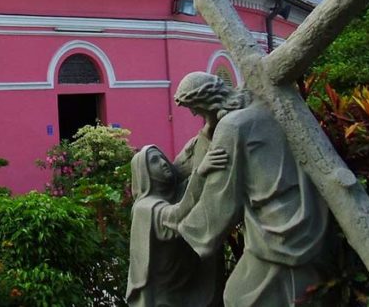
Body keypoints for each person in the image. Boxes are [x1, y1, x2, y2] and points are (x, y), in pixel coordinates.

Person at [172, 72, 330, 307]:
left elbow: (220, 196)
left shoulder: (233, 126)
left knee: (238, 297)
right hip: (310, 213)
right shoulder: (269, 104)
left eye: (193, 107)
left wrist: (184, 229)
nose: (194, 114)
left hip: (273, 226)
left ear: (205, 101)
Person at [127, 144, 226, 307]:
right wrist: (200, 174)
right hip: (162, 298)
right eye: (153, 161)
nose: (162, 162)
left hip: (182, 290)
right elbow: (177, 216)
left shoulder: (172, 196)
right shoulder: (144, 208)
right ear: (144, 174)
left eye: (161, 157)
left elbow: (186, 188)